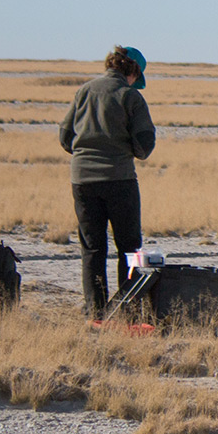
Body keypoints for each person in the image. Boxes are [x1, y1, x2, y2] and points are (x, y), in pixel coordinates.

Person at [59, 45, 156, 319]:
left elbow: (66, 138)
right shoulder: (131, 98)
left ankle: (95, 312)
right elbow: (143, 147)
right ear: (133, 71)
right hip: (119, 180)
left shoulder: (84, 91)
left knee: (92, 248)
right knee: (129, 248)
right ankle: (127, 311)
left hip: (82, 180)